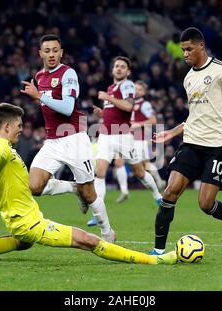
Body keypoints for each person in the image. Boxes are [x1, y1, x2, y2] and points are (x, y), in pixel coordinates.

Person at [0, 103, 177, 265]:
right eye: (19, 126)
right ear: (7, 126)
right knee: (89, 241)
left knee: (21, 242)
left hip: (16, 220)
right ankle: (156, 261)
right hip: (31, 223)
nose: (21, 130)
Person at [149, 27, 222, 254]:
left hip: (218, 145)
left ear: (201, 46)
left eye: (189, 49)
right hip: (192, 143)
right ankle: (158, 252)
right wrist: (173, 132)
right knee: (170, 192)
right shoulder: (189, 78)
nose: (184, 54)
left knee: (205, 204)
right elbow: (195, 115)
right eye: (183, 50)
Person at [20, 35, 115, 242]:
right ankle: (73, 188)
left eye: (55, 50)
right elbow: (47, 108)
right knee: (34, 186)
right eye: (47, 51)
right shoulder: (40, 76)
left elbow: (67, 107)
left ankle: (108, 233)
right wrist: (40, 99)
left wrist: (40, 96)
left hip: (74, 138)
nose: (51, 54)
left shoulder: (68, 73)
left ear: (61, 52)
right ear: (40, 53)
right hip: (53, 141)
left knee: (89, 193)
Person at [89, 56, 162, 226]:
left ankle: (158, 196)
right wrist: (102, 113)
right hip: (106, 135)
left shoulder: (127, 85)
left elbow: (128, 106)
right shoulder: (111, 87)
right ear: (112, 70)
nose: (119, 68)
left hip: (123, 135)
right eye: (116, 66)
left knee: (139, 171)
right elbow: (114, 109)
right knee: (99, 172)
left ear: (128, 71)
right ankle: (98, 213)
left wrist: (108, 98)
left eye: (123, 66)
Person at [113, 80, 166, 204]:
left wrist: (138, 124)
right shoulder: (127, 102)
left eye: (140, 89)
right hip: (126, 138)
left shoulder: (144, 104)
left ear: (144, 92)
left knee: (142, 166)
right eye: (135, 88)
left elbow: (153, 120)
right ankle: (125, 191)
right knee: (121, 161)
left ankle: (158, 182)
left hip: (138, 139)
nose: (137, 91)